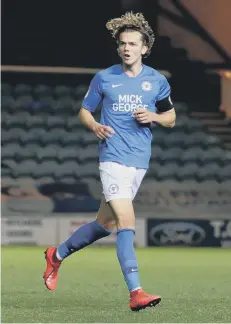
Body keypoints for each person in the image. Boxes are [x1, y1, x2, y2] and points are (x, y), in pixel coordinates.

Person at [43, 11, 176, 311]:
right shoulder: (105, 78)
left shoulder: (156, 81)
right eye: (123, 44)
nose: (127, 48)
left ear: (144, 47)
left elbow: (171, 117)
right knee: (126, 222)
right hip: (112, 158)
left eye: (133, 43)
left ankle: (56, 255)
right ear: (118, 48)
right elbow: (84, 111)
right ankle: (136, 292)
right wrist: (94, 126)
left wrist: (154, 116)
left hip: (139, 161)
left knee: (104, 223)